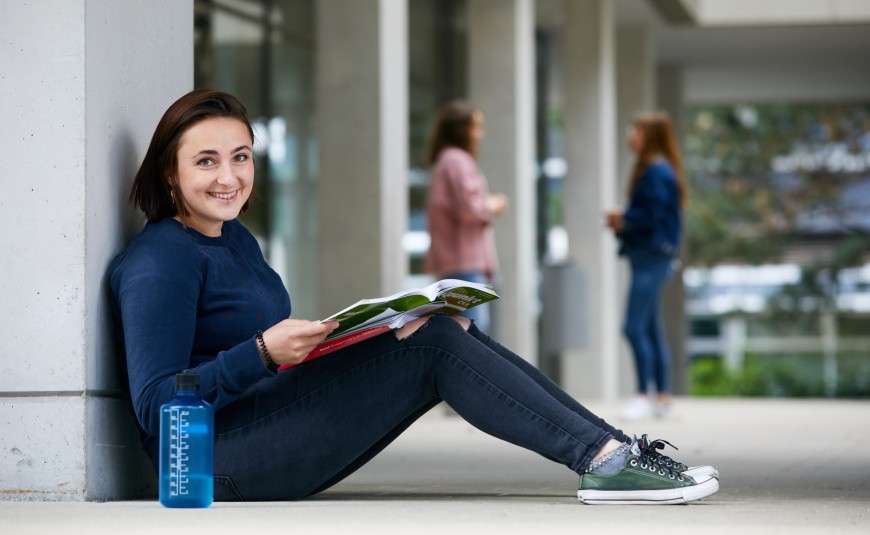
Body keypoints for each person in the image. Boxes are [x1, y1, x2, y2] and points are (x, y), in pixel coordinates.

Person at [109, 90, 718, 504]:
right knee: (430, 345)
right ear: (170, 173)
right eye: (206, 161)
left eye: (240, 157)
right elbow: (157, 406)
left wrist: (354, 335)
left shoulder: (233, 239)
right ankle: (606, 463)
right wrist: (263, 353)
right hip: (210, 462)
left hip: (264, 421)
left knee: (440, 328)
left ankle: (619, 452)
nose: (229, 177)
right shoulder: (161, 260)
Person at [605, 111, 686, 422]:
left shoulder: (656, 172)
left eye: (635, 130)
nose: (630, 136)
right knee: (651, 328)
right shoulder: (658, 170)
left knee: (633, 327)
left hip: (652, 257)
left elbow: (650, 216)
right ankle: (661, 396)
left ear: (649, 136)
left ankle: (643, 394)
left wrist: (624, 220)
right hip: (651, 257)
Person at [424, 100, 508, 334]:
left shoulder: (447, 160)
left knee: (466, 331)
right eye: (476, 127)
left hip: (459, 261)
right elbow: (470, 208)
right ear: (461, 130)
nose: (480, 134)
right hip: (464, 260)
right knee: (472, 333)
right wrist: (492, 204)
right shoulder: (456, 161)